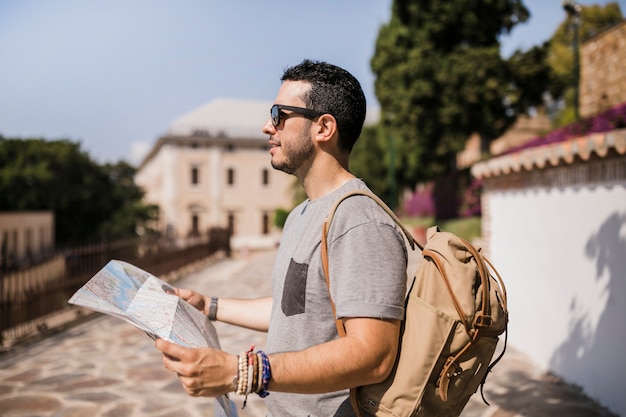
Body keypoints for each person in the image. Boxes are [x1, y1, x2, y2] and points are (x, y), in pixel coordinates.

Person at [155, 59, 409, 417]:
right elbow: (295, 311)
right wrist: (209, 306)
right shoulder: (301, 215)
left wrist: (244, 372)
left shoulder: (359, 222)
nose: (266, 127)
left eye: (279, 115)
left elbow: (374, 355)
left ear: (323, 127)